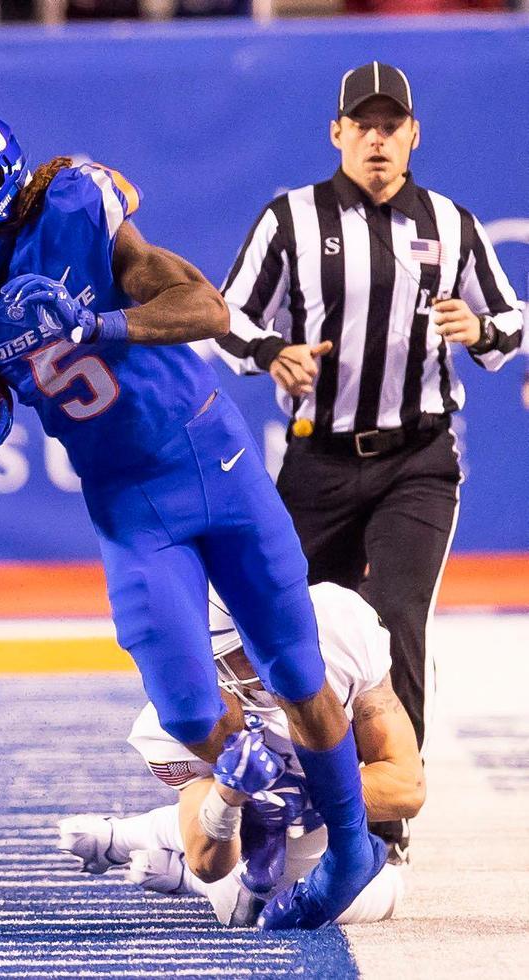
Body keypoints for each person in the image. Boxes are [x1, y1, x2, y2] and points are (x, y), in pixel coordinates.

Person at [0, 102, 384, 929]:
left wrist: (97, 321)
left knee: (296, 669)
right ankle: (256, 805)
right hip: (126, 498)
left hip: (212, 457)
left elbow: (206, 309)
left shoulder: (74, 210)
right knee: (186, 708)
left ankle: (355, 846)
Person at [217, 62, 523, 862]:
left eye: (393, 125)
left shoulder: (452, 224)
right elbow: (226, 317)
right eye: (364, 124)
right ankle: (261, 791)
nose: (379, 139)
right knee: (280, 625)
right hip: (317, 458)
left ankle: (384, 821)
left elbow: (513, 320)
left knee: (392, 617)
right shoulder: (291, 219)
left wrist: (481, 331)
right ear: (338, 133)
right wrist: (272, 350)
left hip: (418, 456)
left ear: (414, 134)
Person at [59, 583, 424, 927]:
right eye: (243, 653)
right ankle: (138, 845)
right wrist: (229, 797)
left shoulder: (343, 625)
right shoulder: (178, 718)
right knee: (243, 905)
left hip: (328, 821)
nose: (264, 660)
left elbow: (407, 787)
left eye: (268, 641)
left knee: (391, 892)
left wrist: (297, 796)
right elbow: (207, 860)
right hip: (250, 832)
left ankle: (124, 837)